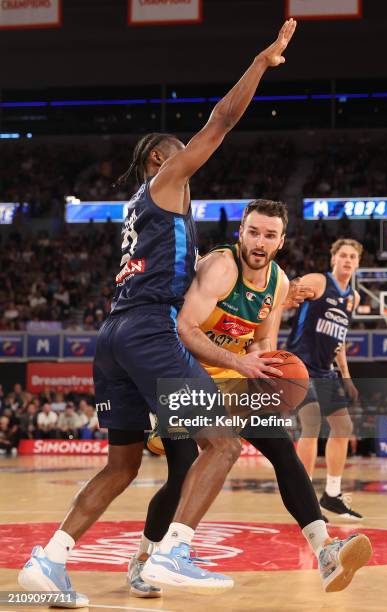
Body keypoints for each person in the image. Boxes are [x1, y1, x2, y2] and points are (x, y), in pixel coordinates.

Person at [19, 18, 298, 605]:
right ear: (157, 162)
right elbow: (221, 122)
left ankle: (49, 560)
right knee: (221, 443)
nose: (190, 162)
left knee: (121, 465)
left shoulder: (142, 211)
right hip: (148, 329)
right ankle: (173, 551)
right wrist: (260, 63)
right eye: (178, 154)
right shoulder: (166, 182)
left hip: (113, 336)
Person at [138, 203, 372, 595]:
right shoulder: (221, 267)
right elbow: (185, 329)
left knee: (281, 448)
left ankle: (325, 551)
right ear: (241, 233)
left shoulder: (278, 283)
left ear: (281, 241)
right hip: (181, 373)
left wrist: (270, 374)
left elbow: (263, 341)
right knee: (182, 473)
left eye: (268, 235)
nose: (259, 242)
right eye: (253, 232)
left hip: (232, 377)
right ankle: (146, 558)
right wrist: (238, 361)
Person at [286, 239, 364, 520]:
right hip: (300, 365)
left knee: (343, 425)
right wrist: (291, 291)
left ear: (357, 262)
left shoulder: (353, 298)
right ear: (333, 258)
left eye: (353, 257)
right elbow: (283, 295)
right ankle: (305, 498)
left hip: (326, 370)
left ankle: (332, 494)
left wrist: (347, 376)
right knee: (311, 423)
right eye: (343, 255)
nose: (347, 260)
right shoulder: (318, 281)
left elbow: (339, 340)